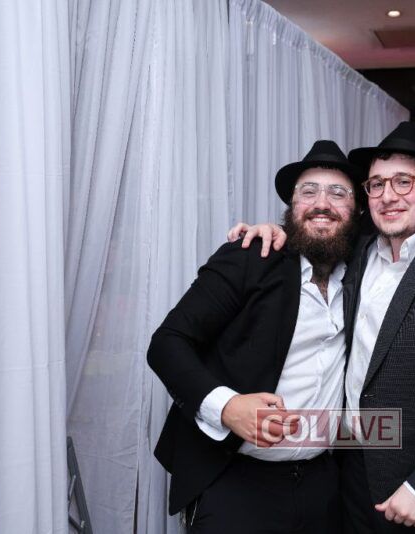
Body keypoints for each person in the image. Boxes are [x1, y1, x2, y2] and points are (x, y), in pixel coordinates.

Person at [233, 122, 415, 533]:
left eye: (404, 182)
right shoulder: (359, 251)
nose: (388, 196)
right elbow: (317, 230)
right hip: (351, 476)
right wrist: (276, 232)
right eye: (376, 184)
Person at [147, 140, 362, 533]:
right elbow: (167, 343)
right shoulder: (251, 257)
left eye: (337, 193)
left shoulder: (363, 273)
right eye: (308, 191)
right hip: (236, 481)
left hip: (323, 485)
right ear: (292, 206)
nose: (321, 203)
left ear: (356, 210)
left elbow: (407, 240)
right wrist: (227, 407)